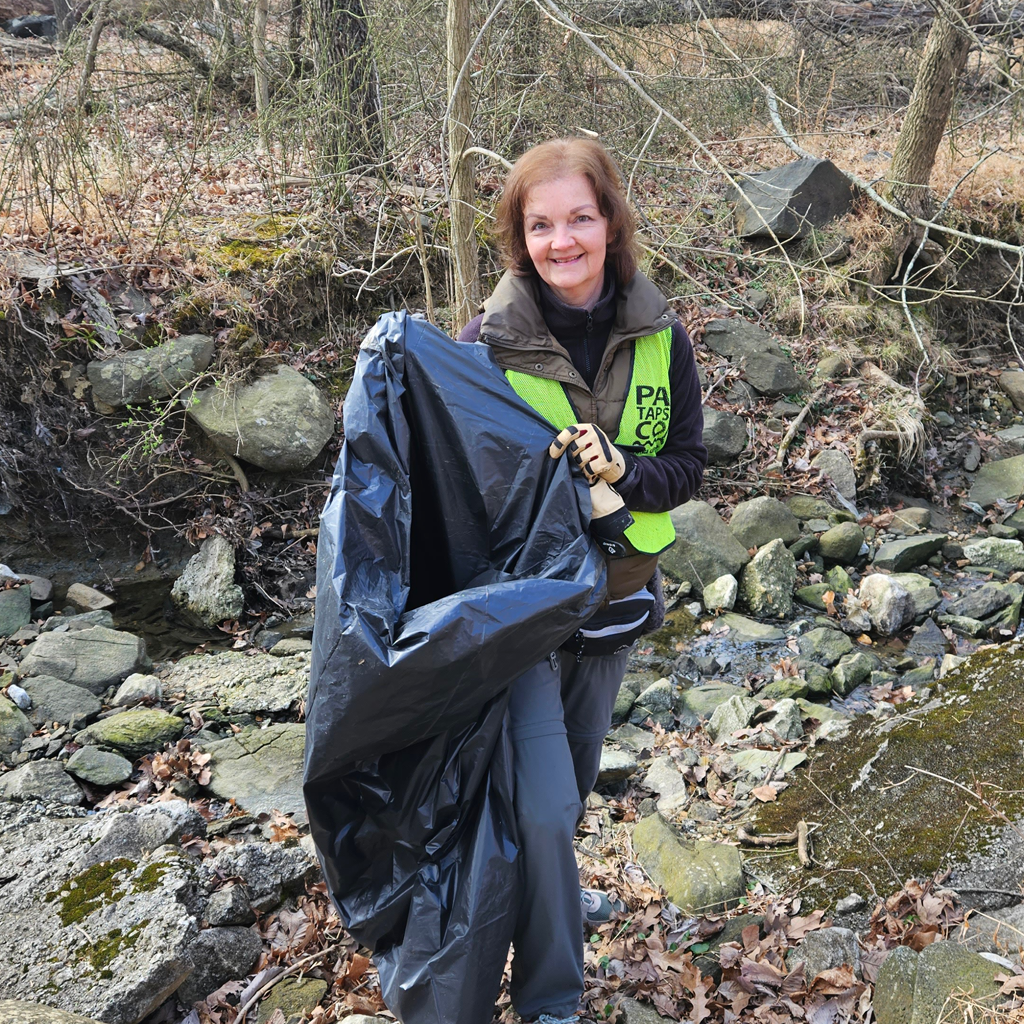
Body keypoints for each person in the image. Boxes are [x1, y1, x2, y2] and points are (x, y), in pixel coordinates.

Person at [457, 137, 707, 1024]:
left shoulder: (659, 332)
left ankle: (547, 910)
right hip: (526, 617)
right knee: (548, 807)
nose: (561, 241)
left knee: (564, 794)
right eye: (540, 225)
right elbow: (455, 487)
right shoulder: (483, 347)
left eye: (579, 219)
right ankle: (551, 1004)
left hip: (615, 607)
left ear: (610, 223)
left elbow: (687, 464)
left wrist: (624, 473)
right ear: (519, 238)